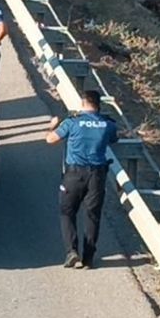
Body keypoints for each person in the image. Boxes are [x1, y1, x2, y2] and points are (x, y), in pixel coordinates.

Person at [45, 89, 119, 268]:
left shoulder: (72, 122)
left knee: (67, 212)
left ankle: (72, 252)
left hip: (74, 175)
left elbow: (50, 139)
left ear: (83, 103)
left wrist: (52, 125)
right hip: (97, 175)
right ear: (98, 104)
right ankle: (88, 258)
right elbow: (114, 139)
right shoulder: (108, 124)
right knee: (92, 216)